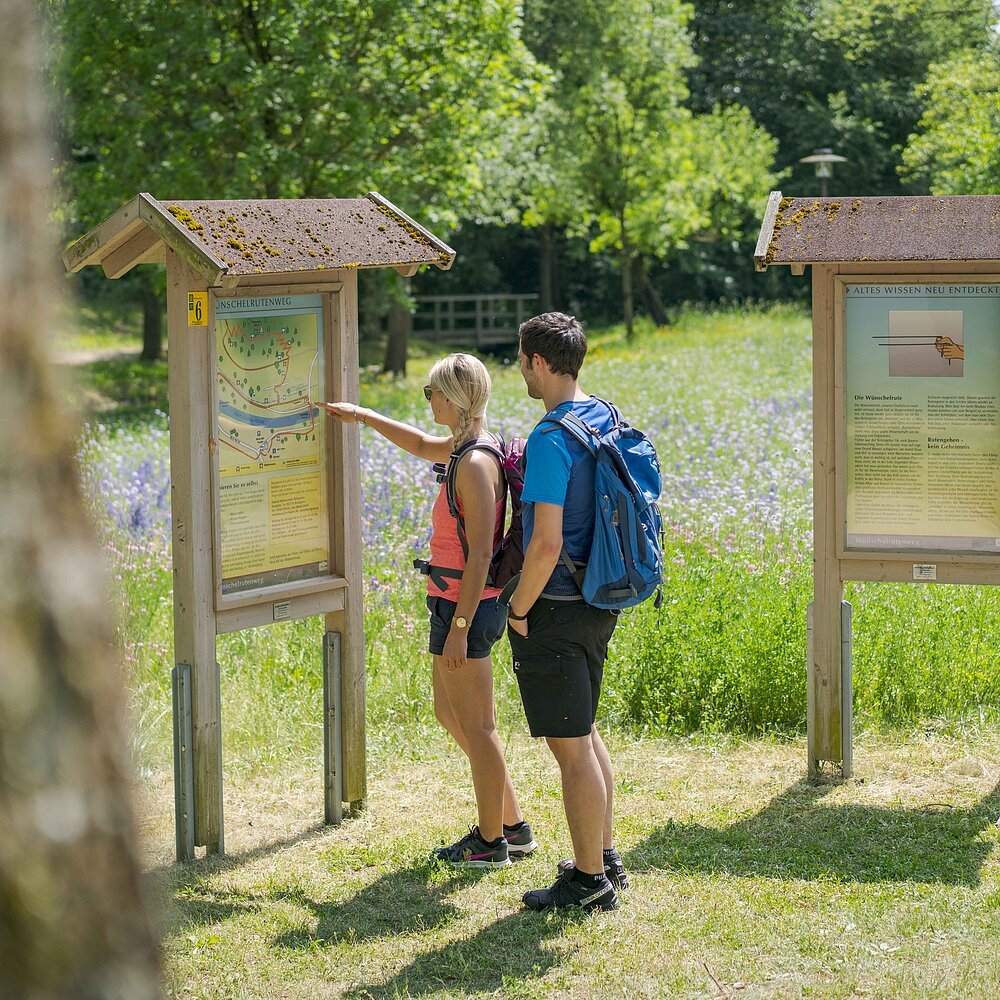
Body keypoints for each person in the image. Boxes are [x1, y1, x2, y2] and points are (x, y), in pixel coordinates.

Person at [320, 353, 536, 867]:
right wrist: (361, 415)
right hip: (451, 603)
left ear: (456, 399)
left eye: (432, 391)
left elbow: (481, 554)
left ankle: (492, 842)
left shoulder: (476, 464)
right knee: (450, 714)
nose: (429, 400)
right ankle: (512, 825)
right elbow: (419, 444)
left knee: (479, 728)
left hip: (467, 608)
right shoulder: (463, 448)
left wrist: (460, 627)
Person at [504, 312, 627, 912]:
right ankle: (603, 858)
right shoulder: (603, 414)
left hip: (554, 605)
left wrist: (517, 608)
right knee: (586, 732)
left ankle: (587, 882)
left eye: (522, 361)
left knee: (571, 747)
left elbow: (545, 543)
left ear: (540, 362)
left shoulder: (551, 439)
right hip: (601, 594)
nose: (520, 372)